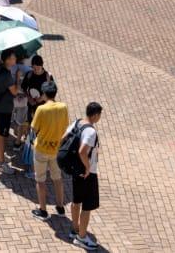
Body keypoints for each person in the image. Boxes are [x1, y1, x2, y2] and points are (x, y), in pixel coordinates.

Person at [28, 80, 69, 220]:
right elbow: (66, 127)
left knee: (40, 180)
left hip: (41, 149)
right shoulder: (63, 107)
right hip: (57, 149)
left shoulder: (41, 109)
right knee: (57, 179)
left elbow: (34, 128)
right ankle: (60, 207)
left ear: (44, 94)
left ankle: (43, 210)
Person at [70, 102, 103, 248]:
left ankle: (75, 229)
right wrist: (88, 167)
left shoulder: (77, 123)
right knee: (87, 206)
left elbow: (64, 137)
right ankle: (82, 238)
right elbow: (82, 151)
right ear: (95, 115)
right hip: (87, 173)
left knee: (76, 200)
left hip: (76, 170)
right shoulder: (91, 132)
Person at [0, 49, 22, 171]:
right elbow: (14, 91)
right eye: (13, 58)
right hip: (4, 108)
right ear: (7, 60)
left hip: (1, 106)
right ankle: (1, 162)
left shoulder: (0, 70)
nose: (15, 59)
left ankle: (0, 156)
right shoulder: (7, 75)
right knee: (1, 134)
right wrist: (18, 79)